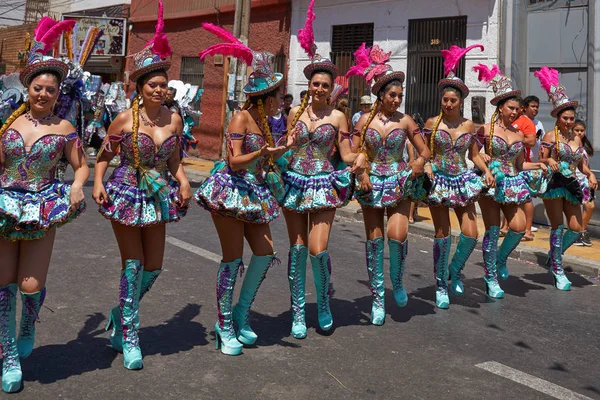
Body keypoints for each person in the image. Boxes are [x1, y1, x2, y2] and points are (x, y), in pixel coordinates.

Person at [93, 1, 192, 370]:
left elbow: (174, 160)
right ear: (140, 87)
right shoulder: (123, 119)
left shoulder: (175, 120)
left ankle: (121, 312)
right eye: (153, 84)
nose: (159, 90)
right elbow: (103, 157)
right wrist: (97, 182)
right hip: (125, 191)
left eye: (164, 85)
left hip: (159, 194)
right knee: (133, 264)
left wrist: (182, 181)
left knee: (155, 266)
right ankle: (130, 335)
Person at [194, 24, 294, 355]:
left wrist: (283, 150)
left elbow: (263, 160)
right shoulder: (240, 119)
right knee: (232, 257)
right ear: (264, 99)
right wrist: (263, 153)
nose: (283, 100)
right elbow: (235, 161)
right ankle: (223, 324)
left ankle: (241, 312)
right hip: (230, 190)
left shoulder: (268, 121)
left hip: (255, 191)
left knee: (265, 253)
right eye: (279, 95)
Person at [0, 18, 88, 393]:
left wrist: (78, 187)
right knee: (3, 285)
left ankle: (28, 324)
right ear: (28, 89)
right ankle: (8, 357)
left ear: (57, 94)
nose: (44, 94)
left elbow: (81, 166)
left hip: (42, 207)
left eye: (51, 90)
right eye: (38, 88)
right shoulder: (7, 125)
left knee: (31, 284)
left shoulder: (66, 130)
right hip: (5, 207)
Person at [280, 0, 367, 339]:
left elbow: (345, 153)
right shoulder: (295, 114)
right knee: (298, 248)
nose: (319, 89)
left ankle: (324, 303)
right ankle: (298, 311)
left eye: (325, 86)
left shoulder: (339, 117)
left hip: (323, 184)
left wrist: (358, 159)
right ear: (309, 85)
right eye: (315, 84)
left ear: (332, 89)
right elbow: (287, 147)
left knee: (318, 249)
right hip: (293, 183)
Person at [347, 43, 430, 324]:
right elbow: (353, 153)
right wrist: (362, 173)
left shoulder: (406, 121)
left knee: (397, 236)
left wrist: (418, 163)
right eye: (392, 95)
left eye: (399, 95)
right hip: (371, 184)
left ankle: (397, 279)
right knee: (374, 241)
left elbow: (425, 150)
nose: (396, 100)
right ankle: (378, 299)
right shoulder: (363, 121)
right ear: (380, 95)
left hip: (398, 182)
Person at [419, 44, 493, 309]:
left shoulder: (468, 125)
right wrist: (425, 165)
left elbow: (473, 154)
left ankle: (454, 270)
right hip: (439, 180)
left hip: (462, 180)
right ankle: (440, 284)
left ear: (461, 102)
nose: (448, 104)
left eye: (453, 101)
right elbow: (422, 151)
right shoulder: (431, 123)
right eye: (445, 100)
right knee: (442, 233)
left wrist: (485, 171)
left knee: (471, 234)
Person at [473, 64, 548, 298]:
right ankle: (490, 277)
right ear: (500, 107)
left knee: (517, 227)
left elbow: (519, 165)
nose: (515, 112)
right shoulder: (485, 129)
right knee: (493, 230)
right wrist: (484, 161)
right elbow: (472, 154)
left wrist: (539, 165)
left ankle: (498, 260)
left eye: (517, 109)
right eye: (511, 108)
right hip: (491, 184)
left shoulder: (518, 134)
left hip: (512, 183)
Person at [535, 67, 597, 290]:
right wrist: (549, 161)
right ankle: (558, 270)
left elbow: (581, 163)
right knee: (557, 226)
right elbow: (541, 161)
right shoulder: (551, 136)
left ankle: (554, 255)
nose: (570, 122)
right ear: (558, 118)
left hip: (571, 185)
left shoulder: (577, 140)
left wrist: (589, 174)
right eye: (566, 118)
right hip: (554, 184)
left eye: (572, 118)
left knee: (575, 227)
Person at [572, 119, 595, 246]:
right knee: (581, 207)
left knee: (589, 206)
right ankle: (578, 233)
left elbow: (587, 164)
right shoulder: (571, 145)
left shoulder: (585, 146)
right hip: (575, 179)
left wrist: (590, 176)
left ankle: (580, 232)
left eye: (581, 131)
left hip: (585, 179)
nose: (580, 133)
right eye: (577, 130)